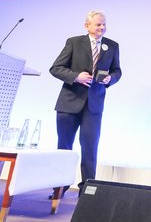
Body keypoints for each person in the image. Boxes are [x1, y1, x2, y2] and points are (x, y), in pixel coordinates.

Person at [50, 10, 122, 190]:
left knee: (90, 147)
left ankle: (87, 190)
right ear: (87, 26)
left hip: (94, 105)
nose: (102, 27)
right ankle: (60, 187)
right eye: (98, 24)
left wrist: (110, 79)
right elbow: (56, 68)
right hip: (69, 103)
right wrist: (76, 76)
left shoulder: (112, 46)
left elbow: (117, 71)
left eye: (104, 24)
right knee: (64, 147)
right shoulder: (74, 42)